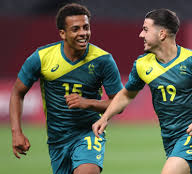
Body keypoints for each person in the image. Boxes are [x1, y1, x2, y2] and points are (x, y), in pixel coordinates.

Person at [92, 9, 192, 174]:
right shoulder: (142, 65)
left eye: (146, 29)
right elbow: (127, 94)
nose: (141, 34)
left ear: (162, 34)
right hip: (170, 139)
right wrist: (105, 117)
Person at [9, 3, 123, 174]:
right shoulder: (42, 58)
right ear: (63, 33)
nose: (83, 33)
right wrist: (16, 132)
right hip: (57, 140)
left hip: (89, 132)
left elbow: (120, 103)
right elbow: (17, 92)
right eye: (76, 29)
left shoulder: (103, 60)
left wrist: (87, 103)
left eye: (86, 27)